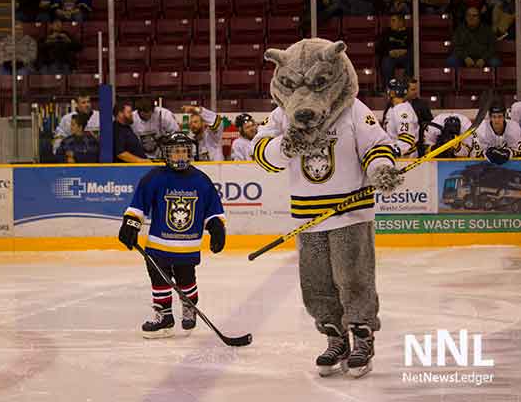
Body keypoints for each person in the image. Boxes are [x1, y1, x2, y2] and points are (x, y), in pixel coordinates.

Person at [251, 39, 403, 378]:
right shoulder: (281, 114)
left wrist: (380, 169)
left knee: (353, 278)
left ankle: (362, 335)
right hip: (309, 218)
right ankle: (335, 336)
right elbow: (262, 154)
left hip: (350, 213)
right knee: (317, 283)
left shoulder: (352, 109)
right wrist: (287, 144)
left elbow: (377, 146)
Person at [118, 132, 226, 338]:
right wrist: (131, 223)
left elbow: (213, 209)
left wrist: (216, 228)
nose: (181, 156)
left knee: (187, 279)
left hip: (188, 245)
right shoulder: (155, 177)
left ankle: (189, 307)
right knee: (158, 279)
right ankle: (164, 316)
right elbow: (139, 205)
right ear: (167, 154)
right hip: (158, 245)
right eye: (176, 152)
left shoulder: (201, 180)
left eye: (184, 151)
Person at [384, 78, 420, 158]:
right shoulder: (394, 108)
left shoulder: (403, 110)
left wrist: (393, 152)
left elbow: (406, 139)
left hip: (405, 158)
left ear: (392, 93)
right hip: (399, 155)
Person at [376, 14, 413, 88]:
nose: (390, 23)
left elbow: (413, 46)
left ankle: (407, 83)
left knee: (411, 57)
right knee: (386, 61)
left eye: (393, 21)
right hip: (390, 56)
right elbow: (379, 48)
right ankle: (390, 87)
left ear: (401, 22)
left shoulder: (409, 32)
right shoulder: (386, 32)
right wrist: (389, 52)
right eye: (390, 21)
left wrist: (403, 51)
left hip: (405, 56)